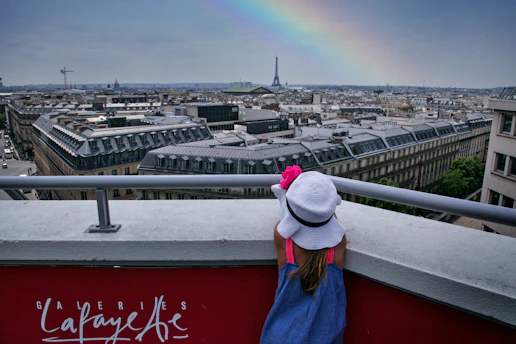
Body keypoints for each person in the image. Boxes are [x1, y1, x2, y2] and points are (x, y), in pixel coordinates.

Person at [261, 168, 347, 344]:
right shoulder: (338, 243)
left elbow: (285, 218)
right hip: (326, 337)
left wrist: (294, 195)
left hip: (282, 336)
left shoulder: (283, 240)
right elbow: (331, 220)